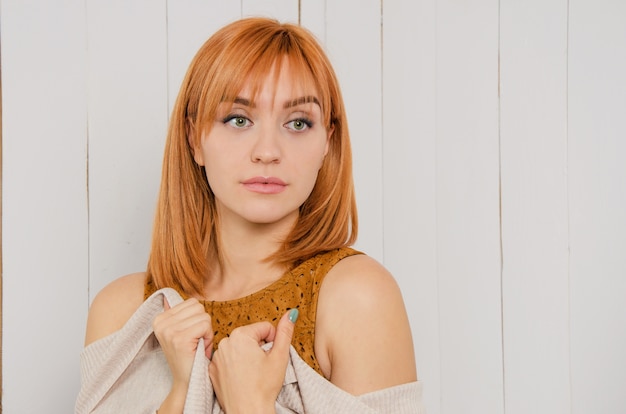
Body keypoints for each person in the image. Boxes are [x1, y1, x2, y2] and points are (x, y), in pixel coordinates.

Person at [83, 17, 417, 413]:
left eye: (298, 123)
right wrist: (181, 392)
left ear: (327, 141)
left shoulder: (356, 298)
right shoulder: (126, 313)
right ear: (195, 140)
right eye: (238, 119)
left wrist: (251, 405)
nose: (268, 151)